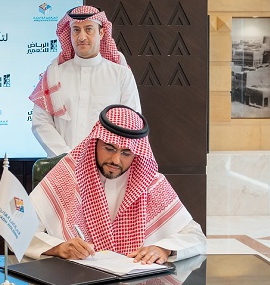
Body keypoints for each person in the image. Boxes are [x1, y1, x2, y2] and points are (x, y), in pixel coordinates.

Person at [25, 104, 206, 263]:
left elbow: (196, 237)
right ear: (95, 142)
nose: (116, 160)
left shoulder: (151, 183)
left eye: (126, 153)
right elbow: (18, 232)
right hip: (75, 283)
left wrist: (164, 249)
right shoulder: (68, 175)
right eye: (109, 148)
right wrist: (57, 248)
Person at [29, 5, 141, 157]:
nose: (82, 37)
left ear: (101, 33)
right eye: (76, 30)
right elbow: (40, 121)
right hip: (62, 164)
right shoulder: (54, 74)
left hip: (105, 166)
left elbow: (131, 123)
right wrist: (67, 158)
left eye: (88, 29)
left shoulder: (121, 75)